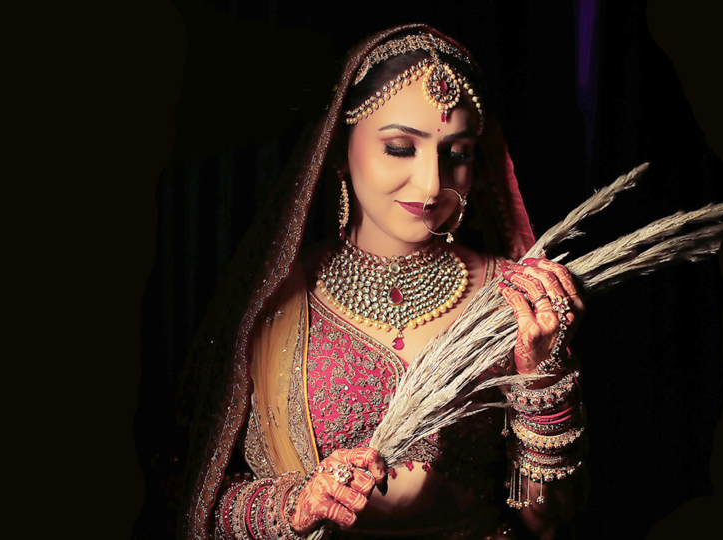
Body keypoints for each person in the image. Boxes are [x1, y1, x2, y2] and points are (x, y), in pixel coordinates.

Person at [179, 24, 589, 540]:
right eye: (400, 147)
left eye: (456, 154)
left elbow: (549, 519)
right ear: (338, 151)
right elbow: (204, 507)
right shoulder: (277, 300)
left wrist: (544, 379)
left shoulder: (513, 300)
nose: (432, 184)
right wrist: (298, 503)